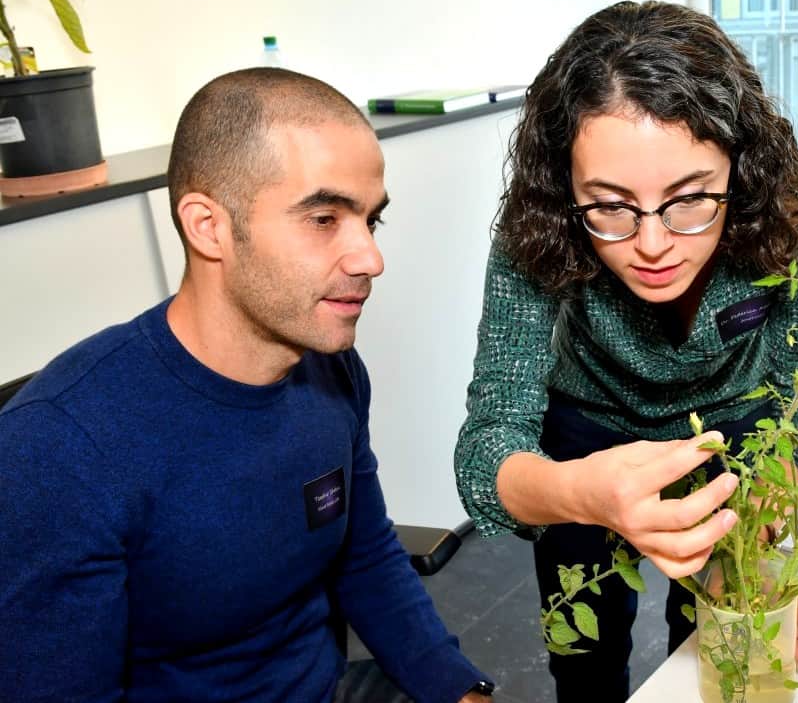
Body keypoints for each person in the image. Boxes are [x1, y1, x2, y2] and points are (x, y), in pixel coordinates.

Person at [0, 68, 493, 703]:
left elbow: (365, 558)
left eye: (372, 221)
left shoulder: (332, 370)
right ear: (209, 226)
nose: (370, 258)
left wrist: (463, 694)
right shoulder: (58, 451)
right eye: (323, 218)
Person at [453, 0, 798, 702]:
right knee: (583, 660)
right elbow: (488, 450)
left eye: (691, 198)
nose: (653, 243)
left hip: (740, 441)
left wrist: (762, 515)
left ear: (741, 169)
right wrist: (580, 492)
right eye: (608, 205)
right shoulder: (536, 227)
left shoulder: (787, 204)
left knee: (708, 650)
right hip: (587, 442)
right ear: (562, 190)